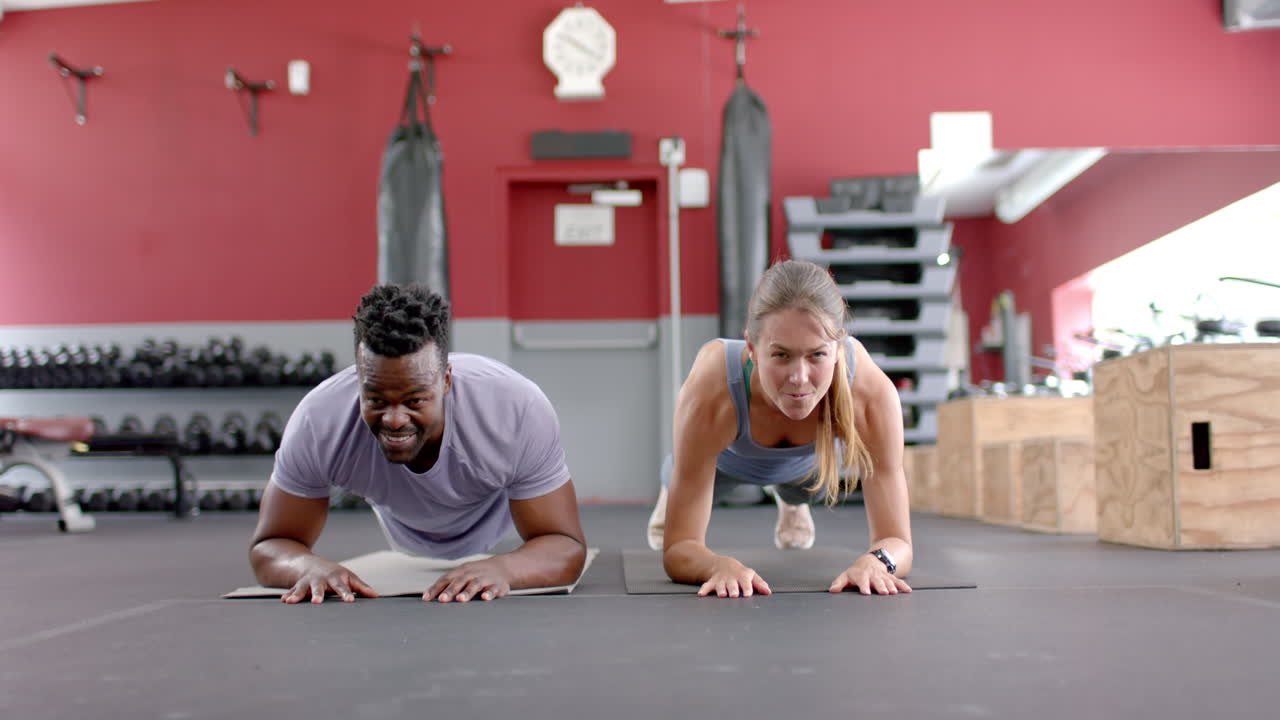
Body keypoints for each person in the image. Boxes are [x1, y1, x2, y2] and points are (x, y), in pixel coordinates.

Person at [250, 284, 587, 604]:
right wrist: (306, 567)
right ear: (359, 381)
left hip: (493, 516)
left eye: (414, 401)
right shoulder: (317, 420)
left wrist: (505, 569)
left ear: (446, 381)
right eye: (376, 400)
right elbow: (270, 544)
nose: (395, 419)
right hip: (400, 525)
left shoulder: (516, 408)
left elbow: (566, 545)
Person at [648, 259, 913, 598]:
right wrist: (716, 565)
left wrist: (878, 562)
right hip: (724, 465)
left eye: (816, 355)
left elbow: (898, 541)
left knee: (810, 489)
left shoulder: (869, 391)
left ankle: (790, 503)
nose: (799, 378)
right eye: (781, 356)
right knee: (676, 485)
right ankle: (670, 491)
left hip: (805, 470)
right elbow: (679, 549)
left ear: (837, 349)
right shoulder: (713, 387)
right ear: (752, 349)